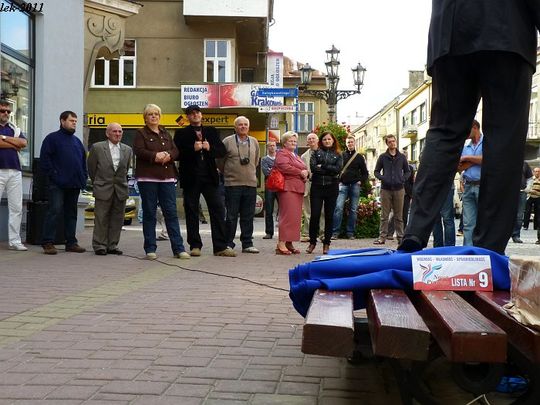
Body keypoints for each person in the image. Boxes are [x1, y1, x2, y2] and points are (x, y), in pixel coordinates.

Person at [400, 0, 540, 255]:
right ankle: (488, 248)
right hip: (507, 29)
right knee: (504, 141)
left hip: (449, 33)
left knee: (443, 133)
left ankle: (415, 233)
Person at [174, 104, 235, 257]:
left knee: (218, 209)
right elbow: (176, 154)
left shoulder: (211, 131)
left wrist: (210, 148)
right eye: (191, 113)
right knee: (191, 211)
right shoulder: (181, 133)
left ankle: (220, 246)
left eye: (197, 112)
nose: (195, 115)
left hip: (209, 177)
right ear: (188, 117)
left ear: (201, 115)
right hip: (191, 177)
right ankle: (195, 245)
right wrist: (192, 149)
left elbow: (221, 151)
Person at [133, 104, 189, 260]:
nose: (154, 116)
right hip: (148, 178)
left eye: (156, 114)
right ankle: (150, 249)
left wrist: (169, 155)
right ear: (145, 117)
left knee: (171, 212)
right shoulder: (140, 133)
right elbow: (138, 151)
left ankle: (178, 248)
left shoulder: (165, 132)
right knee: (149, 213)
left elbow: (175, 150)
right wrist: (154, 156)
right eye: (150, 114)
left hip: (167, 177)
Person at [40, 111, 87, 255]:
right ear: (62, 121)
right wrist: (54, 175)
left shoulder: (77, 142)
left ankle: (71, 242)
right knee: (54, 211)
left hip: (74, 183)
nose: (74, 123)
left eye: (76, 121)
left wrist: (83, 177)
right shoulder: (52, 139)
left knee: (71, 213)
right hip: (57, 184)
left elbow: (82, 162)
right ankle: (48, 242)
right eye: (71, 120)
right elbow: (45, 160)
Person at [87, 123, 133, 255]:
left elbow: (125, 169)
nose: (117, 134)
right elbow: (92, 168)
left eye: (120, 131)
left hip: (120, 189)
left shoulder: (127, 149)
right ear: (107, 133)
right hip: (103, 187)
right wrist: (99, 182)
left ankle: (112, 245)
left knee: (117, 219)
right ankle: (99, 245)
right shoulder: (97, 148)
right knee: (101, 218)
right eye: (114, 131)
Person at [218, 116, 260, 253]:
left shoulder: (254, 142)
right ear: (235, 127)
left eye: (245, 124)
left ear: (249, 126)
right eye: (240, 124)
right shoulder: (227, 141)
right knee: (231, 216)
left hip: (250, 184)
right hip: (232, 184)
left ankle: (247, 243)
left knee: (248, 216)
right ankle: (228, 243)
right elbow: (220, 162)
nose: (243, 127)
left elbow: (255, 161)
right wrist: (229, 174)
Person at [306, 131, 342, 255]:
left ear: (333, 141)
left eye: (329, 139)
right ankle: (312, 242)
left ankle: (326, 243)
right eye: (325, 139)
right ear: (321, 141)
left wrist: (323, 166)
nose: (327, 141)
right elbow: (313, 168)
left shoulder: (338, 154)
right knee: (315, 215)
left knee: (329, 216)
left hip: (332, 187)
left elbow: (337, 170)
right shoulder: (316, 152)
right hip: (317, 187)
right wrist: (328, 169)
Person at [273, 131, 308, 255]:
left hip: (297, 188)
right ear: (284, 143)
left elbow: (304, 168)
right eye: (290, 141)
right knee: (287, 216)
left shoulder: (295, 155)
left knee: (295, 218)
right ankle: (281, 243)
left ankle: (289, 242)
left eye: (295, 141)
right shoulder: (282, 153)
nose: (293, 143)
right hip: (288, 188)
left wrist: (306, 173)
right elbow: (284, 167)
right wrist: (301, 172)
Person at [373, 134, 410, 245]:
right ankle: (382, 238)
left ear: (396, 142)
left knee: (399, 216)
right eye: (390, 142)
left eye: (393, 141)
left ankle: (400, 238)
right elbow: (376, 171)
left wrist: (402, 179)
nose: (392, 143)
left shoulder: (402, 157)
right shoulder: (382, 157)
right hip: (386, 190)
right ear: (387, 144)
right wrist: (383, 178)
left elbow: (408, 171)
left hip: (399, 189)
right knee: (384, 215)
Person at [0, 99, 27, 251]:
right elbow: (18, 144)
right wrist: (13, 144)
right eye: (2, 111)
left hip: (15, 171)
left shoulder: (14, 128)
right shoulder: (14, 132)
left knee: (16, 207)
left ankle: (15, 241)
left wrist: (4, 138)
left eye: (8, 111)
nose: (6, 113)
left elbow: (23, 143)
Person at [332, 135, 368, 240]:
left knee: (353, 209)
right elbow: (336, 170)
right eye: (348, 142)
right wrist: (338, 182)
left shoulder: (359, 157)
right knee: (338, 208)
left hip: (355, 185)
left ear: (354, 143)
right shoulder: (341, 155)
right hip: (343, 185)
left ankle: (350, 232)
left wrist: (360, 181)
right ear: (346, 144)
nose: (350, 144)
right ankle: (335, 232)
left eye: (351, 142)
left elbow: (365, 173)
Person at [459, 120, 483, 247]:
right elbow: (459, 167)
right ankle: (468, 251)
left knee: (484, 221)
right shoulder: (465, 147)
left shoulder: (487, 142)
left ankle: (482, 250)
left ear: (474, 127)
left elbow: (488, 159)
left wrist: (467, 158)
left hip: (482, 186)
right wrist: (477, 160)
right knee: (468, 223)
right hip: (468, 185)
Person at [300, 133, 323, 242]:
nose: (311, 140)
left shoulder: (324, 153)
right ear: (307, 142)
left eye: (313, 138)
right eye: (309, 139)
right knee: (307, 211)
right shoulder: (303, 156)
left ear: (317, 140)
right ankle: (307, 234)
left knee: (322, 210)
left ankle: (322, 233)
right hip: (308, 184)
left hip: (321, 184)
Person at [510, 161, 533, 243]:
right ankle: (504, 235)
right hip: (509, 193)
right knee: (507, 214)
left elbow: (529, 178)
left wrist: (528, 188)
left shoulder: (525, 164)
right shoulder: (507, 162)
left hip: (522, 192)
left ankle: (516, 235)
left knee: (519, 215)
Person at [261, 140, 278, 239]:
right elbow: (266, 172)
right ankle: (269, 232)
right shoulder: (264, 159)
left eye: (274, 145)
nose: (272, 147)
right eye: (270, 145)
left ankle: (283, 231)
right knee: (269, 210)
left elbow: (282, 170)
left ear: (276, 147)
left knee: (283, 209)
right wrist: (276, 171)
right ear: (267, 148)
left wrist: (271, 169)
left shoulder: (279, 158)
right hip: (269, 186)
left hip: (280, 186)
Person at [523, 166, 540, 233]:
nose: (537, 173)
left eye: (538, 171)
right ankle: (525, 226)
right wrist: (531, 191)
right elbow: (526, 188)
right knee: (527, 211)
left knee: (537, 212)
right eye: (535, 171)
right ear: (533, 172)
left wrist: (537, 193)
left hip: (538, 197)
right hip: (530, 196)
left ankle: (536, 226)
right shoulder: (530, 180)